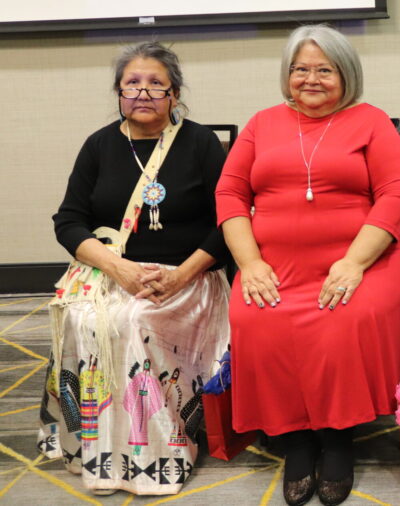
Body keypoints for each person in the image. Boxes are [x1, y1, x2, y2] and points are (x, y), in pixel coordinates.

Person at [216, 24, 400, 506]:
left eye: (324, 69)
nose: (311, 79)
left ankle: (338, 436)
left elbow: (398, 192)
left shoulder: (370, 122)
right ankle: (296, 439)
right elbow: (230, 193)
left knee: (343, 319)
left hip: (364, 260)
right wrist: (251, 262)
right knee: (256, 317)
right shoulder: (262, 123)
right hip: (274, 264)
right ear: (286, 77)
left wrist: (353, 263)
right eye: (300, 69)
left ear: (346, 73)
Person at [41, 41, 231, 495]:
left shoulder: (200, 143)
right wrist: (117, 268)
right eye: (132, 84)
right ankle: (96, 450)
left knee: (134, 321)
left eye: (155, 84)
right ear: (119, 92)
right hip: (114, 274)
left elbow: (230, 223)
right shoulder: (100, 145)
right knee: (81, 318)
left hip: (186, 279)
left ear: (174, 93)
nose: (143, 93)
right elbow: (68, 220)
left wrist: (181, 275)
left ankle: (155, 455)